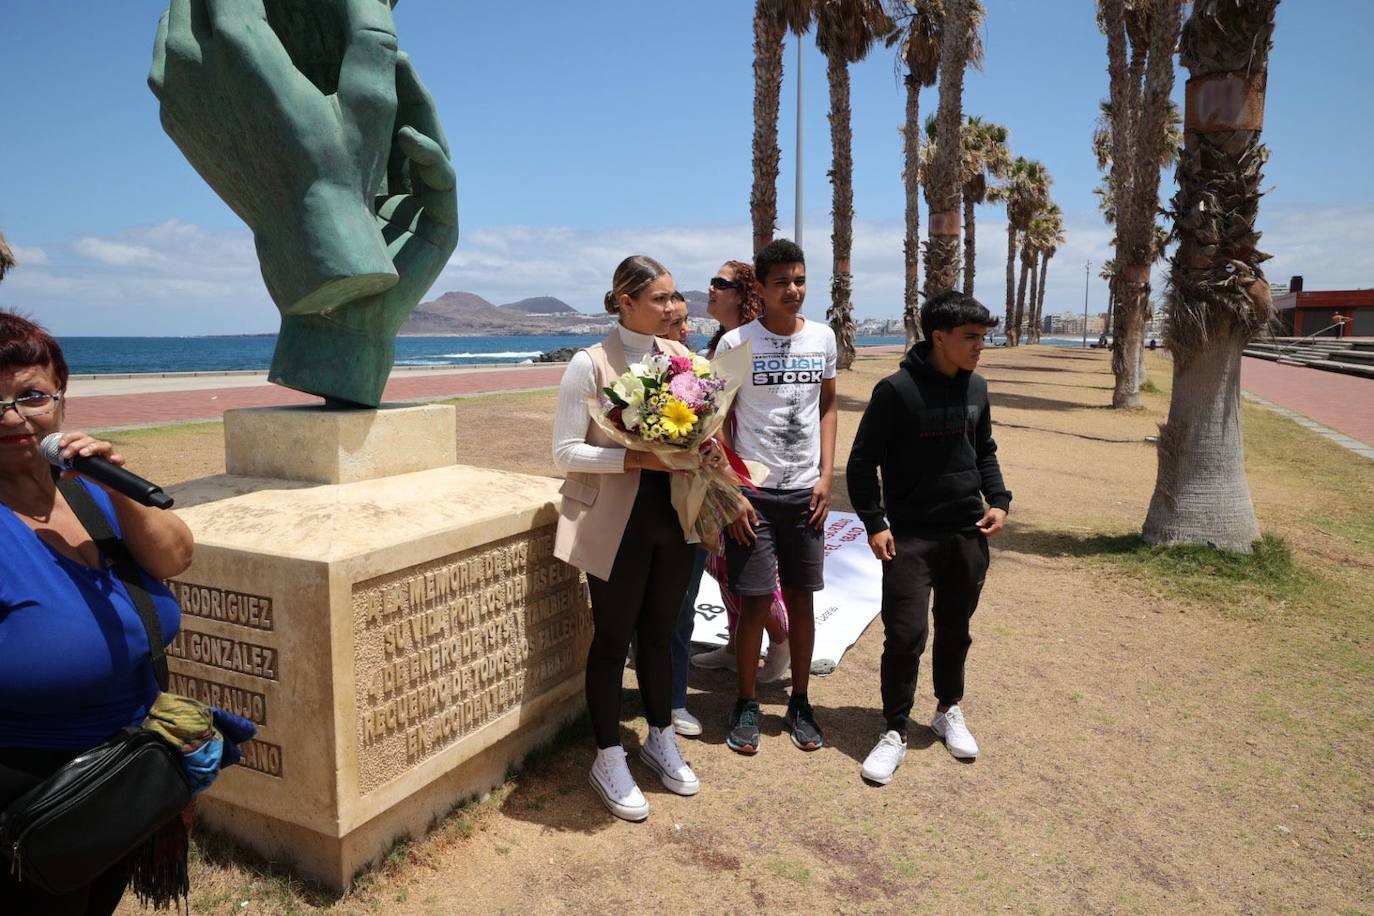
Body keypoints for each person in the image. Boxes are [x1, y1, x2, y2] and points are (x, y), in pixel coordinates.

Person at [0, 312, 195, 914]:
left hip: (122, 776)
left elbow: (175, 556)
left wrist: (116, 484)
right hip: (26, 797)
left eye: (30, 395)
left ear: (61, 399)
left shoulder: (85, 486)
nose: (11, 416)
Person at [552, 256, 723, 821]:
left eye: (674, 298)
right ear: (625, 301)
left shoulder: (682, 359)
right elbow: (564, 453)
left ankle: (657, 736)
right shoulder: (589, 363)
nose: (674, 308)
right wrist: (637, 458)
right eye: (660, 299)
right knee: (613, 638)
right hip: (614, 525)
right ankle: (607, 754)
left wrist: (705, 449)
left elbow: (695, 428)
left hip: (676, 519)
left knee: (659, 634)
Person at [846, 290, 1012, 786]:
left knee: (955, 629)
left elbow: (984, 450)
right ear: (939, 337)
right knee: (905, 635)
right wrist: (875, 523)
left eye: (983, 337)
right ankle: (894, 729)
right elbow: (860, 464)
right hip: (910, 537)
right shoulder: (895, 391)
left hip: (966, 533)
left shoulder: (977, 388)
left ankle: (947, 710)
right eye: (970, 337)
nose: (980, 346)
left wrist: (999, 500)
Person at [716, 240, 837, 754]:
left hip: (806, 493)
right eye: (783, 282)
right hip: (753, 495)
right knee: (754, 602)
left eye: (800, 279)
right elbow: (715, 421)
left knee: (804, 600)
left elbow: (828, 406)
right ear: (760, 289)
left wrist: (827, 476)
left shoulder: (824, 339)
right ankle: (745, 702)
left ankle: (801, 701)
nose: (794, 290)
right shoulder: (736, 343)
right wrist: (733, 491)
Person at [690, 261, 792, 683]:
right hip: (712, 470)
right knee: (720, 561)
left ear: (743, 293)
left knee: (740, 562)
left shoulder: (752, 344)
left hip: (745, 472)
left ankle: (783, 642)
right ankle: (736, 646)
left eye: (720, 283)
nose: (710, 289)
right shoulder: (722, 342)